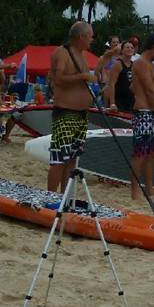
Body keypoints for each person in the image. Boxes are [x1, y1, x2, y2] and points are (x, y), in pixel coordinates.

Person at [46, 21, 96, 194]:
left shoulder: (81, 55)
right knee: (59, 159)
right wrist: (82, 76)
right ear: (81, 36)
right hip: (66, 112)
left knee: (72, 160)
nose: (92, 39)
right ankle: (51, 196)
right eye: (90, 36)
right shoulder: (62, 53)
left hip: (81, 114)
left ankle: (64, 196)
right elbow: (58, 79)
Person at [129, 33, 154, 203]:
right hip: (144, 112)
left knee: (152, 152)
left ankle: (149, 188)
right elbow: (149, 90)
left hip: (151, 111)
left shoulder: (151, 65)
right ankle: (135, 190)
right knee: (140, 153)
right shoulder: (140, 63)